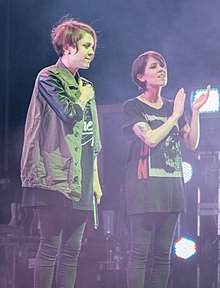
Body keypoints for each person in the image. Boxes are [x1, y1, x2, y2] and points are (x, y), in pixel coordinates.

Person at [20, 18, 102, 288]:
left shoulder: (86, 85)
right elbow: (68, 113)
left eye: (93, 46)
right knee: (50, 246)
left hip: (80, 178)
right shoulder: (48, 77)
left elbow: (91, 138)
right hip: (53, 174)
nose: (92, 51)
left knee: (72, 253)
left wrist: (96, 181)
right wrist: (82, 96)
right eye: (86, 45)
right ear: (68, 47)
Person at [122, 51, 210, 288]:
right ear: (141, 77)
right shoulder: (133, 107)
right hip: (144, 188)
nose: (162, 69)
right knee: (139, 253)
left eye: (163, 66)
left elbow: (191, 144)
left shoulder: (174, 107)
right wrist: (174, 116)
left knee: (163, 255)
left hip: (171, 187)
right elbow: (149, 139)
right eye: (154, 67)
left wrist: (195, 112)